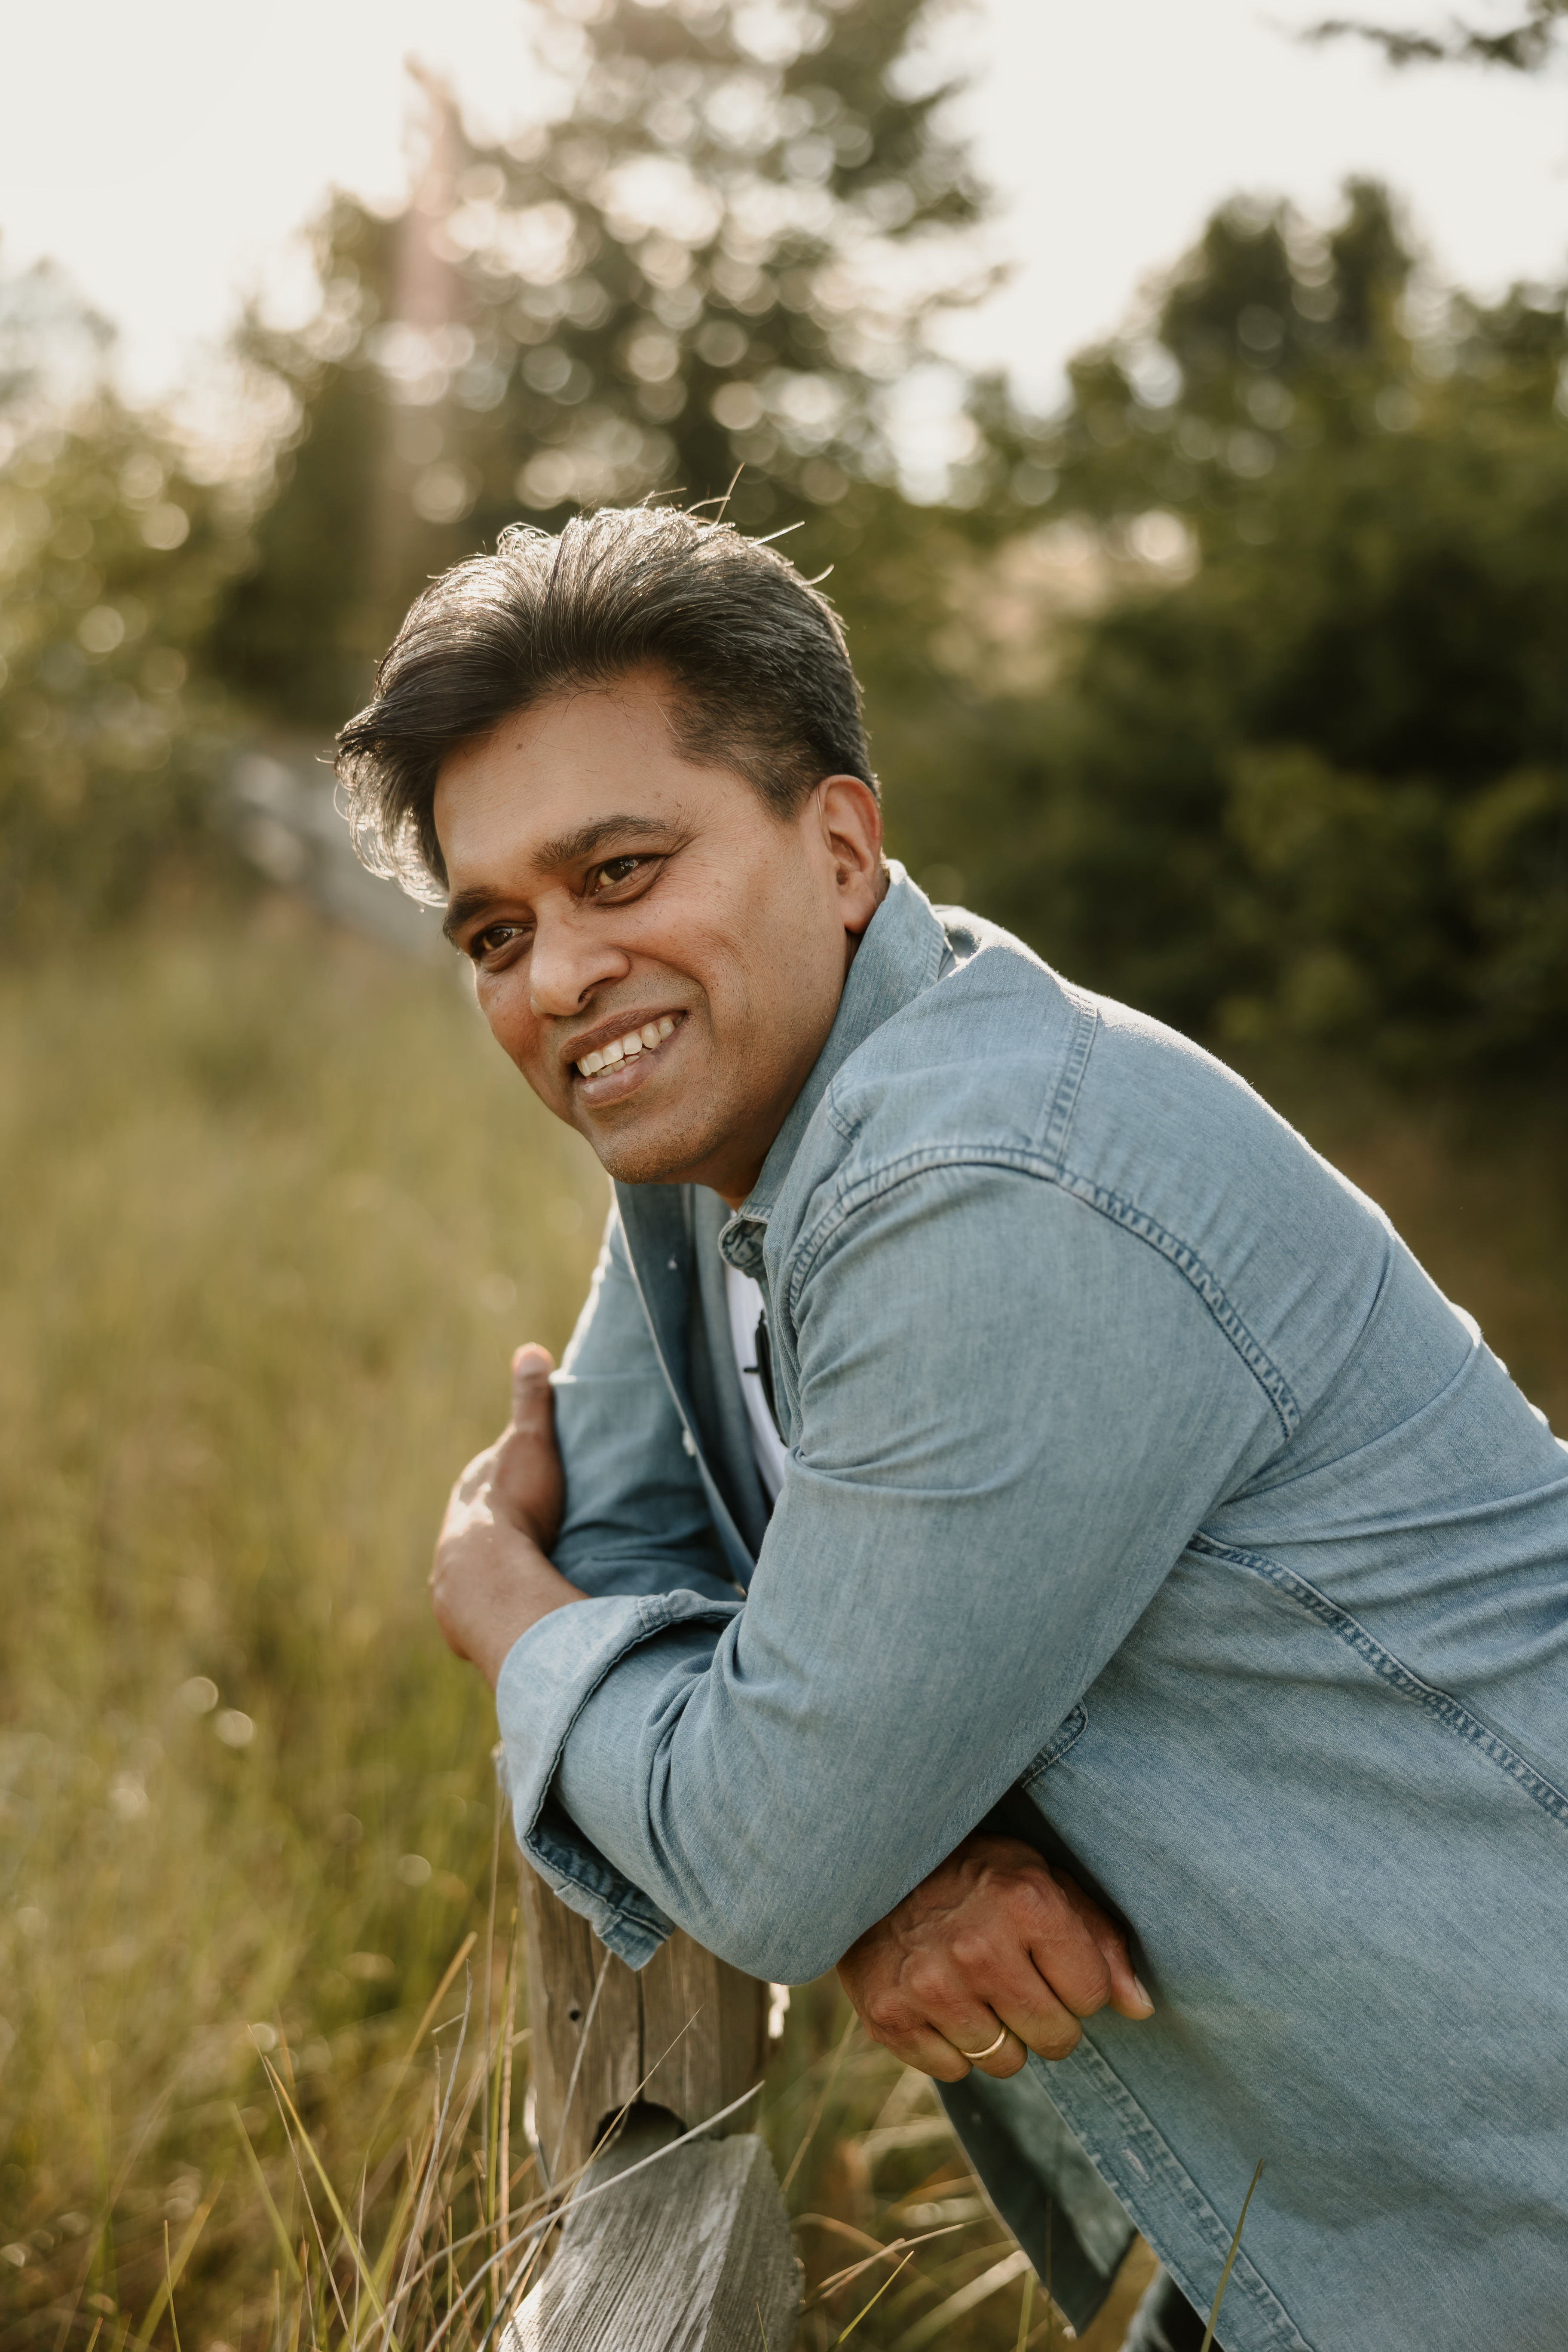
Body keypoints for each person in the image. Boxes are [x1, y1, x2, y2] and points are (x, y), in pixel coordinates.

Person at [336, 505, 1568, 2352]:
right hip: (1318, 2217)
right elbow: (631, 1537)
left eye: (622, 871)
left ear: (840, 846)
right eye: (498, 931)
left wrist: (502, 1609)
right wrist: (888, 1849)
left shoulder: (980, 1183)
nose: (562, 976)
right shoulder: (721, 1135)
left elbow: (746, 1830)